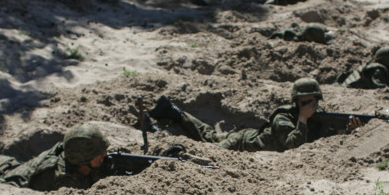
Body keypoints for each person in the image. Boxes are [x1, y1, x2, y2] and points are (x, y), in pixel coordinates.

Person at [145, 78, 360, 153]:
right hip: (242, 143)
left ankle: (173, 114)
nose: (311, 106)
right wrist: (302, 118)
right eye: (305, 103)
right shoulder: (284, 118)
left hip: (246, 138)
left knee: (208, 135)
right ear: (296, 102)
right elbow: (292, 144)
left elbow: (326, 134)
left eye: (314, 102)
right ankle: (160, 130)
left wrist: (347, 130)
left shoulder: (317, 117)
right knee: (208, 147)